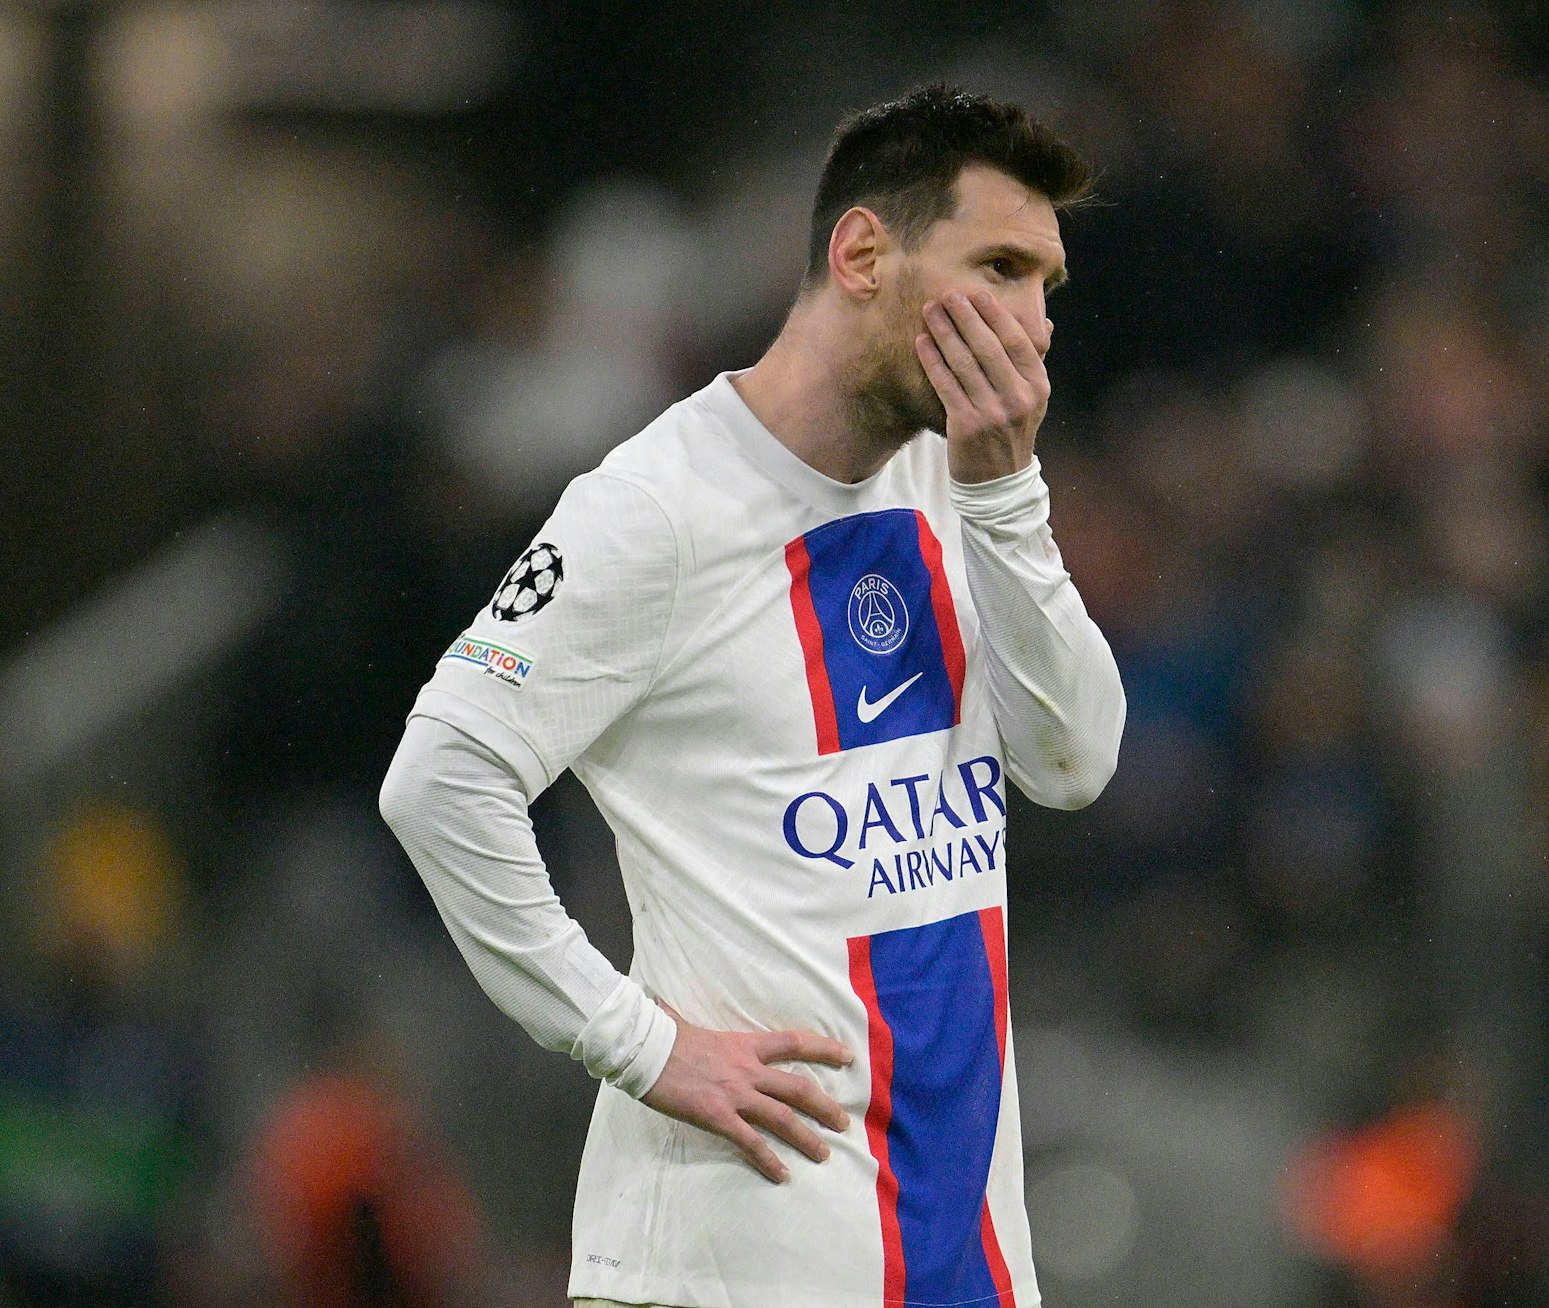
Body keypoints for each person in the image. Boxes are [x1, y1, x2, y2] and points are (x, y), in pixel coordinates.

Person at [380, 84, 1125, 1308]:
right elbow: (441, 779)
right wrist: (638, 1043)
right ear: (863, 253)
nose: (1032, 325)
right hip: (727, 1266)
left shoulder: (960, 484)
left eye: (1047, 285)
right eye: (998, 265)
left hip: (959, 1259)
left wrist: (1005, 500)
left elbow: (1073, 762)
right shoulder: (655, 507)